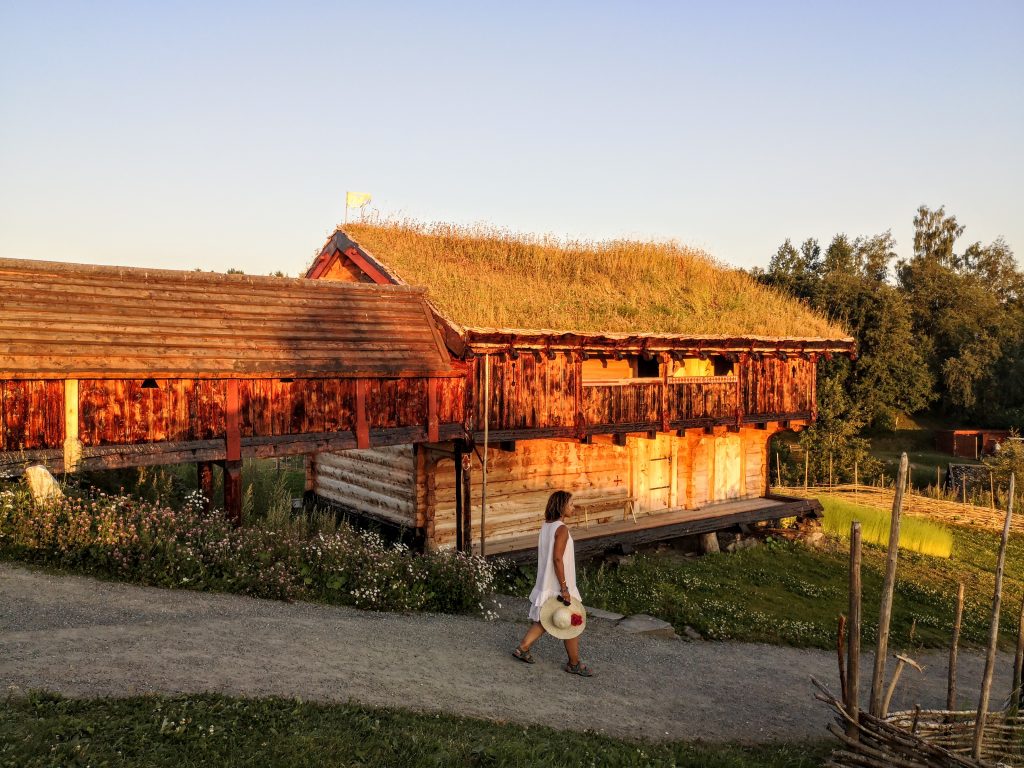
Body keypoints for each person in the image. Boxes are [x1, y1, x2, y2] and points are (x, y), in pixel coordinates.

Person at [512, 490, 593, 676]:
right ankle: (574, 663)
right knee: (573, 621)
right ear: (561, 506)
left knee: (546, 619)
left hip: (548, 581)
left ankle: (523, 647)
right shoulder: (562, 529)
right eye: (571, 504)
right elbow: (557, 559)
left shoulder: (546, 526)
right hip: (559, 584)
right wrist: (564, 588)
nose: (574, 507)